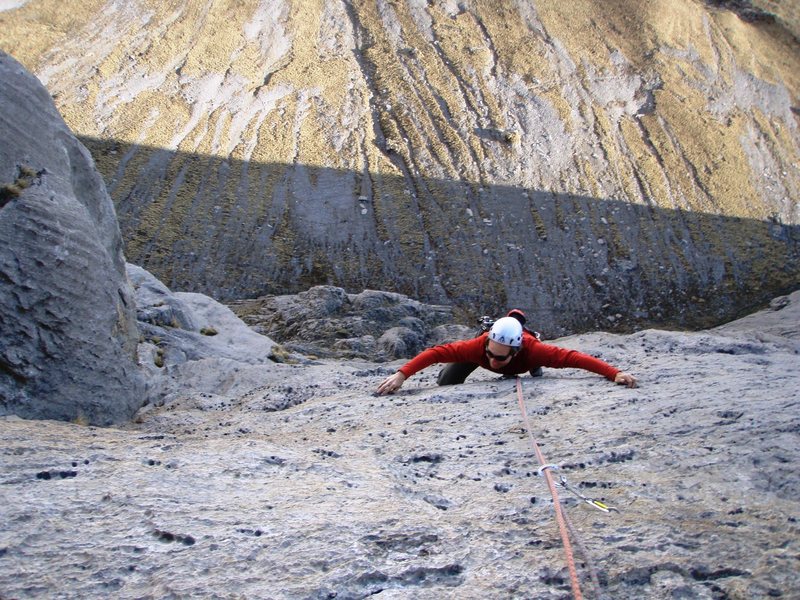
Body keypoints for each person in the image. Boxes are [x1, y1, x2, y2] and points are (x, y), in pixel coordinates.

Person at [376, 311, 637, 395]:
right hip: (480, 352)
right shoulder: (478, 347)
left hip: (528, 360)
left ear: (516, 349)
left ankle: (532, 369)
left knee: (537, 372)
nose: (492, 361)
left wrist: (614, 373)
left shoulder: (534, 350)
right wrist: (402, 375)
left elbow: (575, 359)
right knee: (445, 381)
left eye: (500, 357)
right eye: (490, 353)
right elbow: (435, 353)